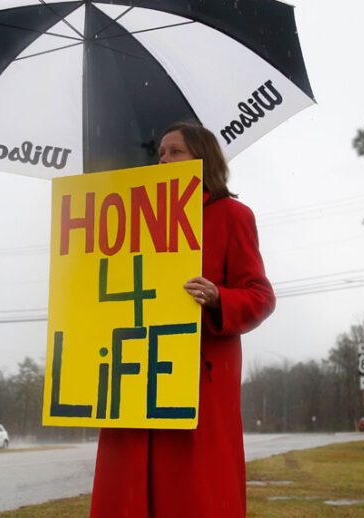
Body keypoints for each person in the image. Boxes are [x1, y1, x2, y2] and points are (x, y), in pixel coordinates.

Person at [89, 121, 276, 517]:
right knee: (128, 494)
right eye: (160, 154)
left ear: (202, 158)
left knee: (193, 496)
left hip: (198, 383)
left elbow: (261, 297)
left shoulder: (233, 215)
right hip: (135, 377)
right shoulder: (135, 221)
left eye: (176, 151)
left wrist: (217, 297)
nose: (165, 159)